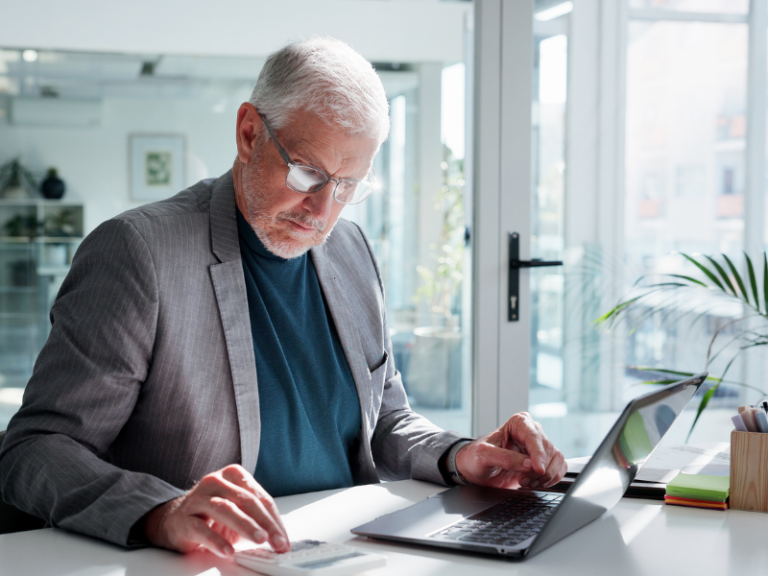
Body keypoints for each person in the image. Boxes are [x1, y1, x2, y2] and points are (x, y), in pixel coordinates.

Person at [0, 37, 566, 559]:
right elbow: (35, 449)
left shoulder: (350, 248)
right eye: (307, 173)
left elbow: (386, 420)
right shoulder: (138, 252)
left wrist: (459, 455)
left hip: (349, 551)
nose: (323, 210)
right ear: (249, 133)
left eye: (348, 186)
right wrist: (159, 510)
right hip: (217, 560)